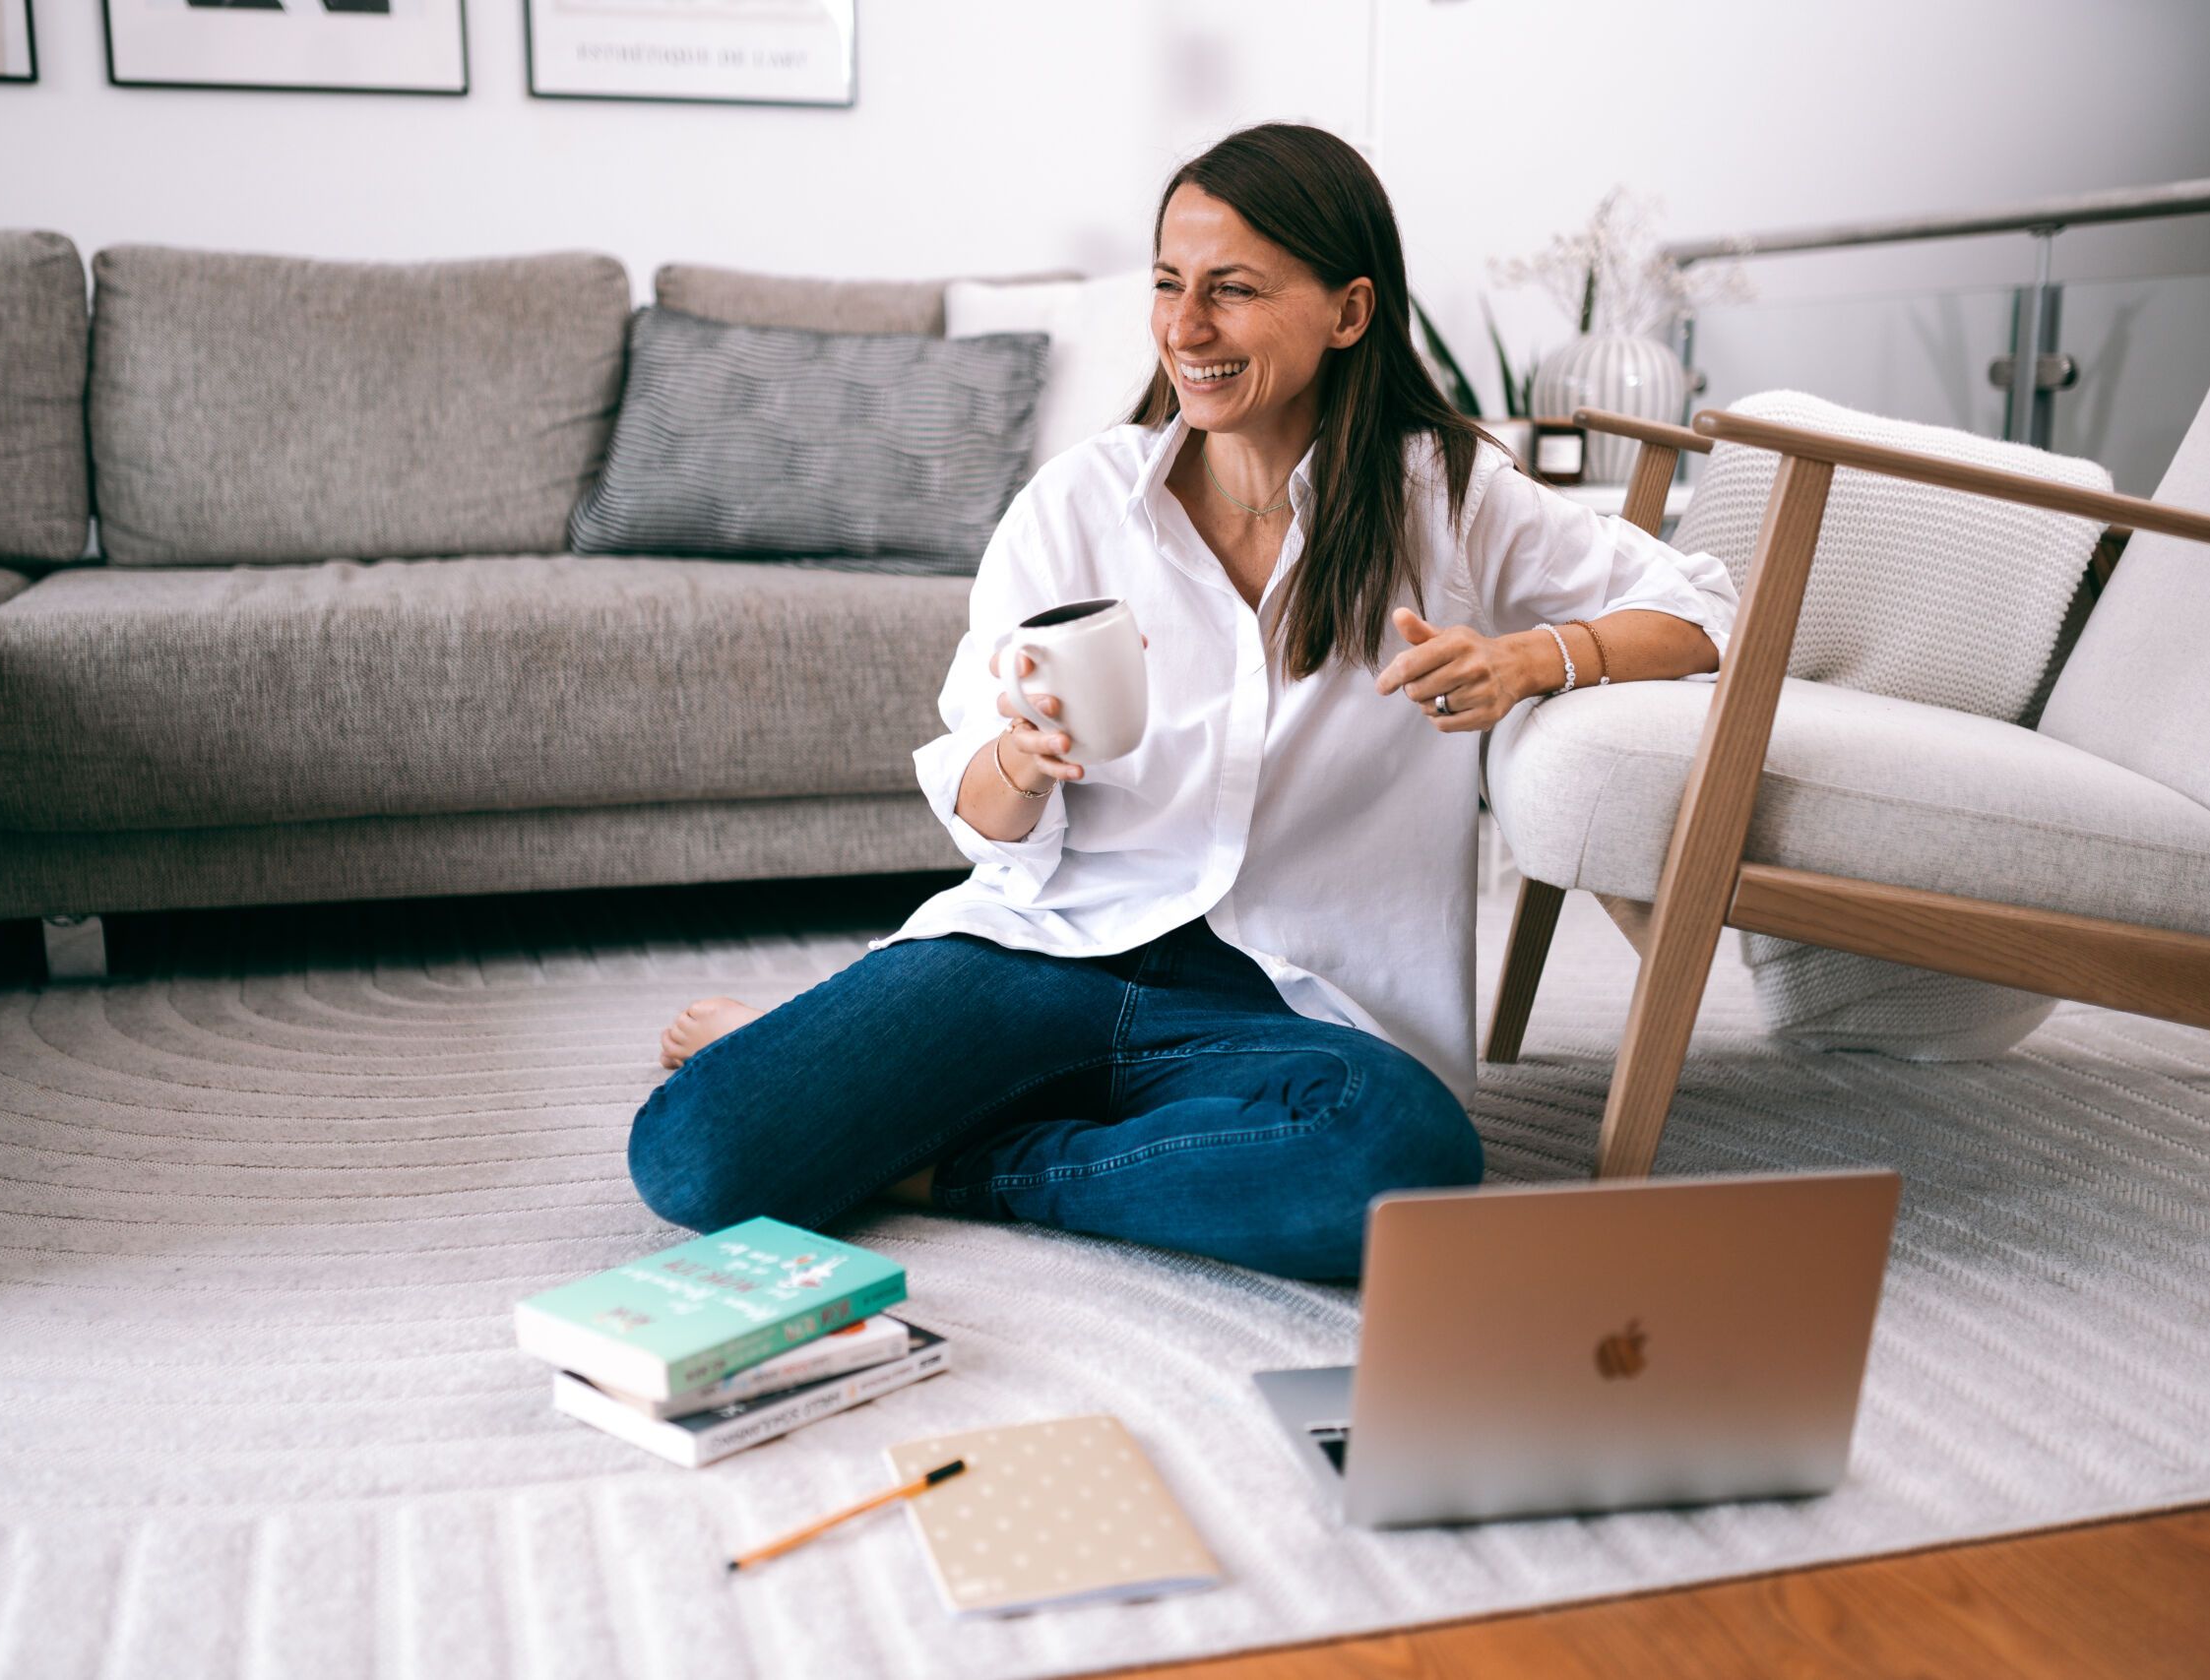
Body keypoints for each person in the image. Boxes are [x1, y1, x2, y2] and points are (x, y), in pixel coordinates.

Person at [629, 123, 1736, 1279]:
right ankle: (967, 1108)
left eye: (1233, 290)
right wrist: (1018, 760)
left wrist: (1532, 659)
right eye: (1168, 284)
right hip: (1045, 951)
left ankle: (947, 1164)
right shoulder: (1077, 504)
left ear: (1349, 312)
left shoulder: (1447, 493)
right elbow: (981, 810)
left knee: (1395, 1156)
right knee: (695, 1152)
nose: (1185, 327)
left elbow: (1705, 610)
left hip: (1288, 1003)